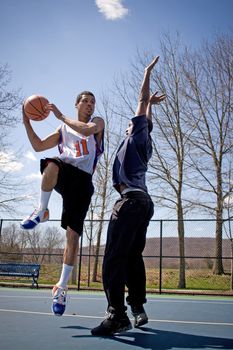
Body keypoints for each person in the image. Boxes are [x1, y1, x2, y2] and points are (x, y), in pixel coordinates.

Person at [91, 57, 166, 336]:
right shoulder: (139, 141)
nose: (130, 123)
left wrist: (146, 75)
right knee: (132, 257)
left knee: (113, 258)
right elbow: (147, 115)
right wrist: (150, 109)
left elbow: (142, 101)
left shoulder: (137, 135)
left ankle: (116, 315)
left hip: (131, 202)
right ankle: (137, 307)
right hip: (142, 203)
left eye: (136, 121)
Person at [20, 91, 105, 316]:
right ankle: (41, 209)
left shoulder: (97, 123)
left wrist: (60, 116)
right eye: (85, 101)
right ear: (77, 104)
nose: (89, 105)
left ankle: (61, 287)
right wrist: (27, 121)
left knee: (73, 238)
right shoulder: (63, 130)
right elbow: (38, 146)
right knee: (50, 164)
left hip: (83, 182)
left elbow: (86, 130)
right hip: (65, 172)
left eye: (92, 102)